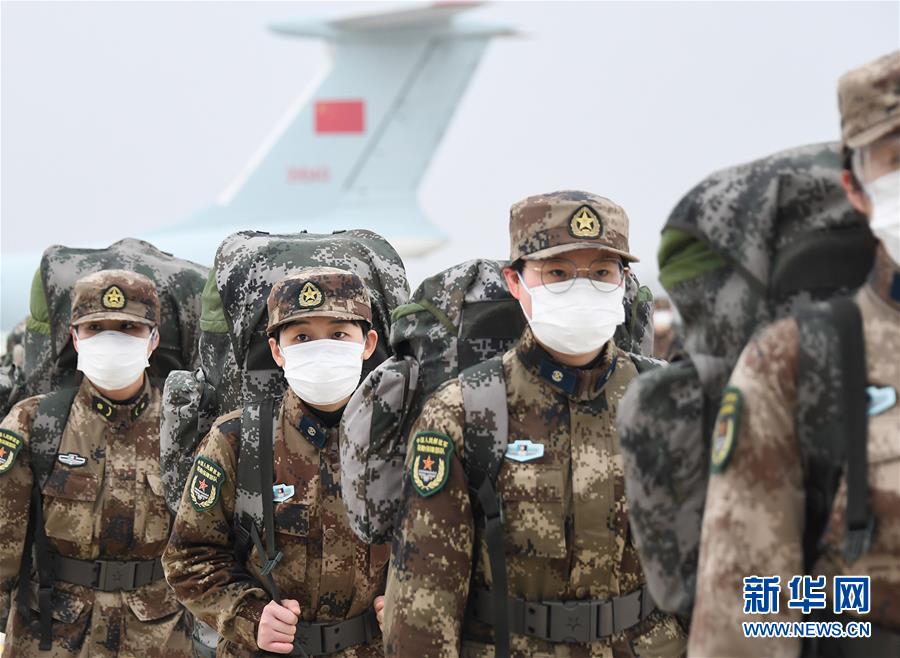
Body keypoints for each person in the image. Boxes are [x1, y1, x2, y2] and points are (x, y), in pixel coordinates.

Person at [383, 190, 687, 657]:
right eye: (558, 273)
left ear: (625, 281)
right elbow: (425, 599)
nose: (582, 288)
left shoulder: (669, 401)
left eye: (602, 272)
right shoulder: (465, 411)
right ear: (515, 281)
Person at [689, 50, 900, 657]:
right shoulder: (796, 362)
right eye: (896, 159)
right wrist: (852, 612)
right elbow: (751, 609)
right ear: (855, 187)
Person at [163, 266, 387, 657]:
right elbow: (189, 558)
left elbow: (435, 545)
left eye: (338, 334)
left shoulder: (398, 438)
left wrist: (407, 598)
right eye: (301, 337)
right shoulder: (237, 439)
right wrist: (249, 616)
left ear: (367, 344)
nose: (321, 348)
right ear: (277, 351)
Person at [0, 269, 193, 657]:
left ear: (153, 338)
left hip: (160, 636)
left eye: (127, 327)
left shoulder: (185, 425)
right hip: (52, 634)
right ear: (75, 337)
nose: (112, 339)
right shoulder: (35, 422)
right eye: (96, 328)